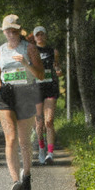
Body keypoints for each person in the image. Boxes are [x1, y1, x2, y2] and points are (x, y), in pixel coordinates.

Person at [0, 14, 44, 190]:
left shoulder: (29, 48)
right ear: (4, 32)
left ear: (18, 31)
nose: (11, 33)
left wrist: (26, 63)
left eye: (14, 30)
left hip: (26, 94)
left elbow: (40, 75)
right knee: (11, 138)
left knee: (24, 141)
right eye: (8, 30)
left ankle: (27, 174)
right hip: (6, 96)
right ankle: (16, 180)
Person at [32, 26, 62, 165]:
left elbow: (56, 66)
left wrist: (58, 70)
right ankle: (41, 148)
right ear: (34, 37)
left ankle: (50, 153)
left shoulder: (53, 51)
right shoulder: (31, 51)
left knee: (48, 121)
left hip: (50, 87)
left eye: (42, 34)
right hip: (36, 88)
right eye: (37, 35)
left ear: (45, 36)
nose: (40, 37)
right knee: (39, 123)